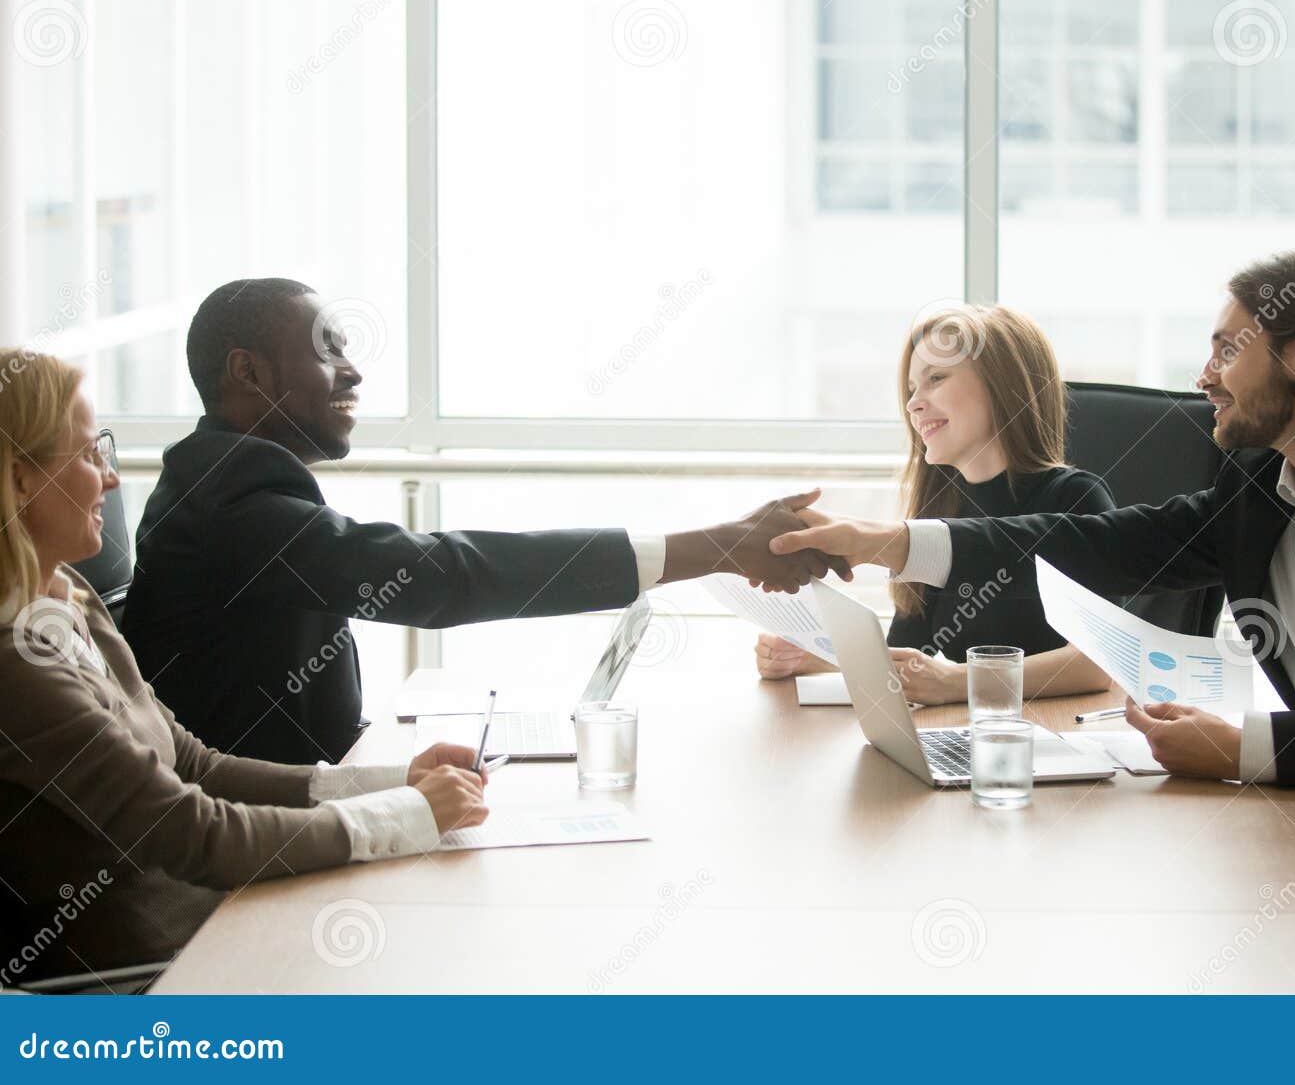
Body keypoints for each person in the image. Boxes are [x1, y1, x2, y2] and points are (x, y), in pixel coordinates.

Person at [771, 250, 1295, 863]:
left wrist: (1242, 744)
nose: (1203, 378)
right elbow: (1100, 546)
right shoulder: (1257, 487)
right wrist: (893, 542)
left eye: (1224, 352)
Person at [121, 279, 846, 766]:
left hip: (298, 801)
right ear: (247, 372)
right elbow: (439, 577)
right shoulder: (232, 499)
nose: (353, 371)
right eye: (326, 348)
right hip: (247, 863)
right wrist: (715, 547)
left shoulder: (232, 479)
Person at [0, 351, 488, 981]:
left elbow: (193, 763)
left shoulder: (67, 597)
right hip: (149, 979)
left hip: (221, 924)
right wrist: (410, 817)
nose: (111, 478)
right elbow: (195, 833)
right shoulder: (18, 665)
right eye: (89, 455)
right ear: (18, 482)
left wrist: (393, 782)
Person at [755, 304, 1113, 704]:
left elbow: (1096, 665)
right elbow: (911, 657)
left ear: (1004, 385)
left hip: (1055, 736)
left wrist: (959, 682)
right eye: (911, 390)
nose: (913, 405)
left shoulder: (1076, 499)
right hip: (972, 733)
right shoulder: (938, 512)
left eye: (936, 379)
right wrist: (814, 656)